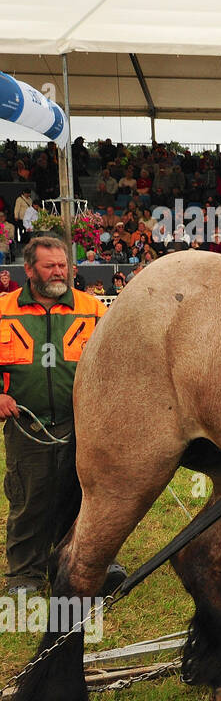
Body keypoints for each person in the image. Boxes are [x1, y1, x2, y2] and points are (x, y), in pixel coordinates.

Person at [0, 233, 124, 594]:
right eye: (50, 266)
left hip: (84, 422)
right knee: (29, 497)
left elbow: (118, 358)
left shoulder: (94, 308)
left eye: (63, 266)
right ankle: (25, 573)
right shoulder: (4, 309)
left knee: (89, 496)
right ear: (28, 270)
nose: (59, 272)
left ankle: (89, 563)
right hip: (26, 422)